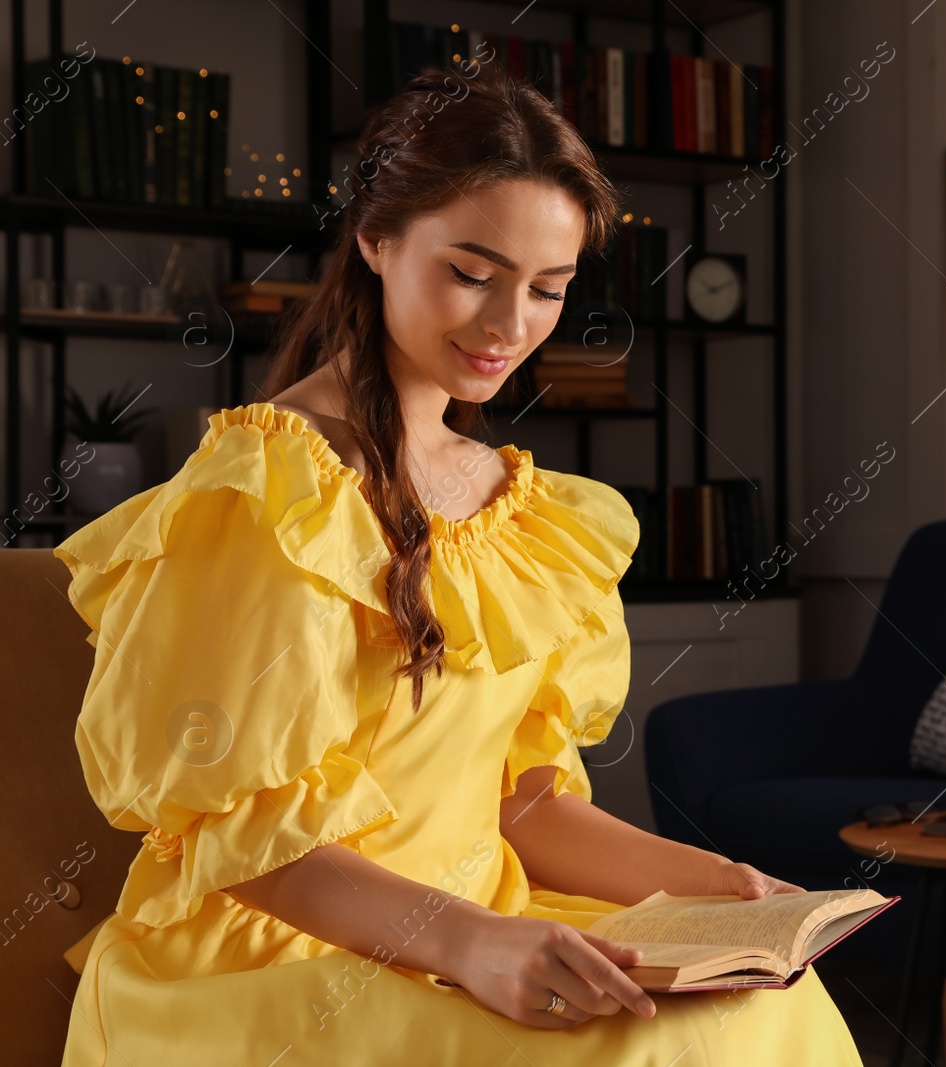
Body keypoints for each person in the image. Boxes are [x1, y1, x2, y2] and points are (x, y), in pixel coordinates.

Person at [53, 65, 864, 1065]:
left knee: (759, 1007)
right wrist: (469, 941)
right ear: (376, 237)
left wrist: (716, 882)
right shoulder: (264, 494)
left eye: (549, 289)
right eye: (473, 273)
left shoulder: (519, 503)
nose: (508, 325)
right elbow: (238, 843)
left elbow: (521, 802)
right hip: (275, 953)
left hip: (483, 912)